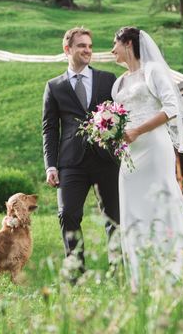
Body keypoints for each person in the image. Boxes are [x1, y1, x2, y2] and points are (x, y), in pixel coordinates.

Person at [111, 26, 183, 290]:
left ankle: (177, 267)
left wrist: (138, 130)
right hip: (130, 153)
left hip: (153, 146)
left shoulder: (153, 71)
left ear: (128, 43)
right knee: (133, 206)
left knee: (161, 200)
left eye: (114, 44)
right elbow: (120, 117)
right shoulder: (120, 82)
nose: (111, 50)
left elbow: (172, 108)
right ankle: (143, 275)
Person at [42, 27, 120, 275]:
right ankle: (76, 271)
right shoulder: (54, 86)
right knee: (67, 214)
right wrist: (51, 165)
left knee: (114, 217)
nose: (87, 50)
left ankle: (116, 270)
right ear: (68, 49)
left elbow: (122, 117)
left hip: (106, 159)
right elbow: (50, 129)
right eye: (81, 46)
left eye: (89, 45)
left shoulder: (108, 80)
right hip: (70, 161)